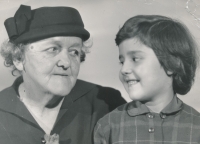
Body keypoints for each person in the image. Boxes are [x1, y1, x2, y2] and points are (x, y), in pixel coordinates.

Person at [0, 5, 126, 144]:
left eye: (74, 52)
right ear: (18, 58)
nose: (66, 62)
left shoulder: (106, 103)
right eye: (52, 49)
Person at [93, 15, 200, 143]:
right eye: (122, 62)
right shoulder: (109, 126)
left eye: (135, 59)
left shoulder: (196, 126)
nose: (124, 69)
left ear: (171, 64)